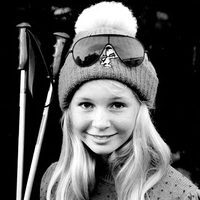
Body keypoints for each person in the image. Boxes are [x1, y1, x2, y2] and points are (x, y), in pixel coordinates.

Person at [40, 1, 200, 200]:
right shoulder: (56, 181)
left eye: (117, 105)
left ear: (140, 110)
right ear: (69, 110)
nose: (100, 123)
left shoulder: (177, 193)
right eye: (86, 104)